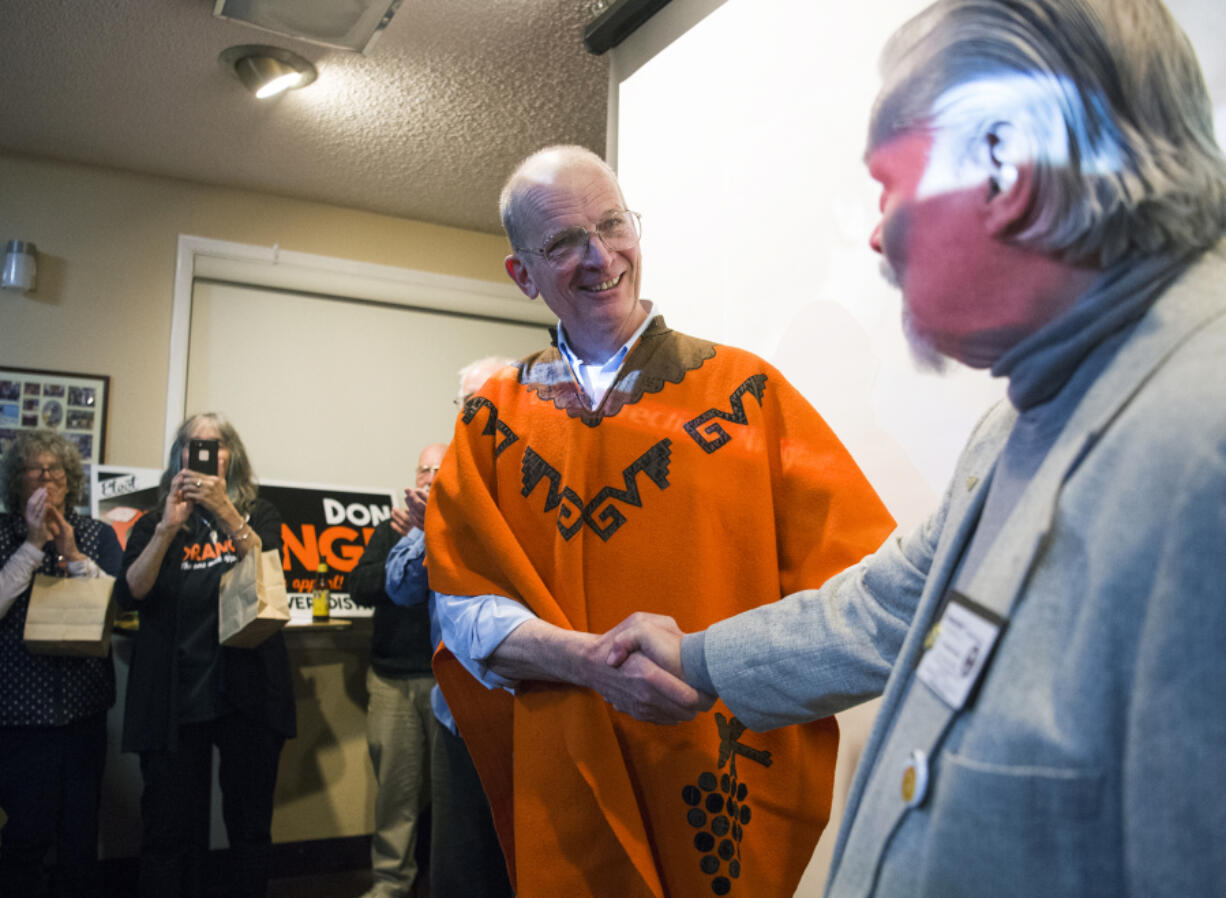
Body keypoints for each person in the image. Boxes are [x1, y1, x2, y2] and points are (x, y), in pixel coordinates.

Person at [606, 1, 1226, 894]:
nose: (875, 232)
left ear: (1006, 167)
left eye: (890, 185)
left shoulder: (1201, 445)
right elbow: (887, 608)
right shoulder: (1021, 417)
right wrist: (697, 661)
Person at [423, 147, 897, 896]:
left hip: (714, 771)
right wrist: (590, 663)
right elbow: (463, 609)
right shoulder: (489, 422)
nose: (599, 255)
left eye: (612, 224)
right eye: (562, 243)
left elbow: (865, 589)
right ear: (523, 276)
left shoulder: (749, 395)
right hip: (565, 778)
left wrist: (710, 668)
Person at [114, 413, 296, 898]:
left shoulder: (261, 513)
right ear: (179, 459)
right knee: (168, 830)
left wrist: (228, 514)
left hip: (247, 692)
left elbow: (273, 577)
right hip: (174, 697)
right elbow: (131, 592)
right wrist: (167, 529)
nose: (205, 455)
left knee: (249, 828)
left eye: (215, 446)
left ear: (231, 456)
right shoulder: (155, 521)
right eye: (194, 446)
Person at [385, 360, 515, 898]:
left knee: (519, 863)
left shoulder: (534, 478)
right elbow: (399, 585)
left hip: (524, 706)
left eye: (483, 400)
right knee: (458, 868)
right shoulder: (446, 488)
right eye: (464, 404)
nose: (473, 414)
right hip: (456, 707)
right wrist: (429, 529)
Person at [0, 430, 120, 897]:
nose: (47, 478)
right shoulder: (4, 532)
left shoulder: (96, 533)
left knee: (78, 836)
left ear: (70, 482)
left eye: (57, 471)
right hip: (17, 715)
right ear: (18, 481)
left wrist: (71, 554)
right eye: (36, 469)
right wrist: (32, 546)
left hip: (82, 711)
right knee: (23, 836)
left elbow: (115, 605)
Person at [348, 444, 442, 898]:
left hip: (449, 685)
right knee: (396, 795)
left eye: (438, 469)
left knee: (451, 795)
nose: (428, 476)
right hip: (391, 682)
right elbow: (359, 586)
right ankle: (390, 883)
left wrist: (435, 538)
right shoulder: (391, 531)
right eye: (423, 468)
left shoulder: (464, 530)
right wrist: (406, 547)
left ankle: (448, 881)